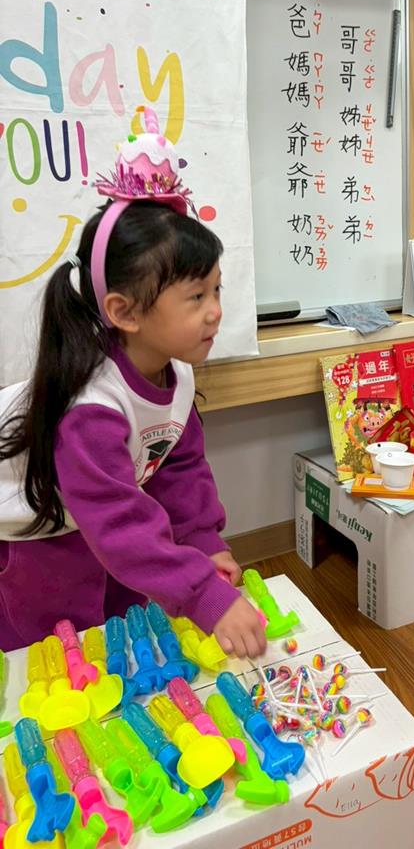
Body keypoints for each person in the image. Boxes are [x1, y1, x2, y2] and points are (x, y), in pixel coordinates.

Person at [0, 109, 266, 659]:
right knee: (59, 649)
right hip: (36, 530)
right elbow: (118, 525)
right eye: (196, 296)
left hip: (98, 520)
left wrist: (201, 544)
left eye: (217, 290)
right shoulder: (90, 409)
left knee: (129, 614)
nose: (216, 311)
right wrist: (203, 594)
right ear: (125, 312)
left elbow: (180, 469)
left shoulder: (176, 373)